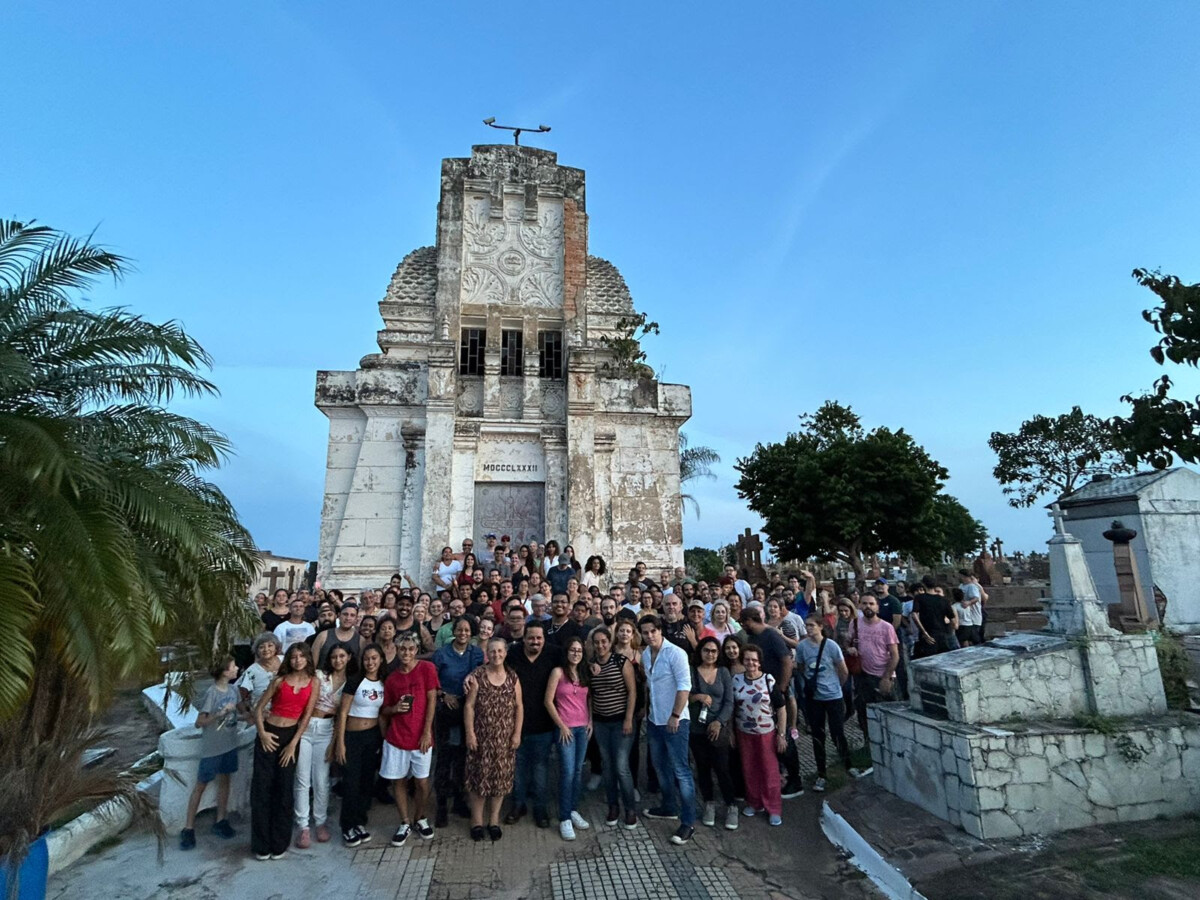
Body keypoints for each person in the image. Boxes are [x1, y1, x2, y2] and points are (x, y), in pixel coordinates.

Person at [252, 643, 319, 860]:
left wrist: (293, 744)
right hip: (269, 734)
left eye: (302, 656)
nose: (298, 660)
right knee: (262, 789)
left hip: (290, 737)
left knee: (284, 789)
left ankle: (279, 842)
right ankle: (261, 844)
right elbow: (259, 708)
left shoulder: (314, 682)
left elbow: (307, 715)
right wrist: (262, 733)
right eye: (294, 656)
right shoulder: (279, 681)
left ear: (308, 658)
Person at [638, 615, 697, 846]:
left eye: (653, 631)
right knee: (661, 767)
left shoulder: (676, 653)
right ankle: (669, 806)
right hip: (655, 721)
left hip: (675, 721)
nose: (649, 635)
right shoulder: (645, 655)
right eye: (645, 632)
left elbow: (685, 686)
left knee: (681, 770)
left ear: (660, 630)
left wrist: (674, 715)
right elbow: (650, 687)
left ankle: (688, 821)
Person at [379, 635, 439, 845]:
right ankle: (404, 821)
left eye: (410, 649)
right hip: (397, 737)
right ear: (397, 650)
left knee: (422, 782)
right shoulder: (392, 679)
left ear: (416, 650)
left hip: (421, 737)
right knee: (399, 780)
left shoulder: (427, 669)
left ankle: (419, 816)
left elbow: (432, 700)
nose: (406, 653)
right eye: (402, 649)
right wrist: (395, 709)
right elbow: (385, 708)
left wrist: (426, 731)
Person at [502, 620, 562, 828]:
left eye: (539, 638)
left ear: (544, 639)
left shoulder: (554, 654)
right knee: (517, 768)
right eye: (531, 638)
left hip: (543, 725)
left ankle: (540, 808)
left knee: (540, 769)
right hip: (516, 724)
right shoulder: (513, 654)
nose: (535, 642)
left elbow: (576, 661)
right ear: (524, 638)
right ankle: (518, 805)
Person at [740, 608, 804, 799]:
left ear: (752, 620)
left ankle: (795, 779)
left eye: (744, 622)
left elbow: (786, 661)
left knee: (783, 738)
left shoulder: (771, 636)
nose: (743, 626)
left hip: (774, 691)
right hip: (761, 694)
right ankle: (779, 775)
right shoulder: (753, 638)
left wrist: (782, 688)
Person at [465, 635, 523, 841]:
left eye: (500, 651)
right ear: (487, 654)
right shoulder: (477, 676)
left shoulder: (512, 677)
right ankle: (477, 821)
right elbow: (469, 706)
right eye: (492, 651)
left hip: (504, 739)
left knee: (500, 781)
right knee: (479, 780)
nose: (496, 654)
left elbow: (519, 706)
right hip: (481, 738)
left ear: (505, 653)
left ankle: (494, 820)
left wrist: (517, 733)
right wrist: (470, 733)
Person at [180, 656, 240, 850]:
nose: (237, 668)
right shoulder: (211, 693)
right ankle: (188, 828)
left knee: (225, 781)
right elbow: (200, 722)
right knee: (201, 785)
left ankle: (221, 820)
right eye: (233, 666)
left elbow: (242, 712)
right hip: (212, 749)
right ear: (225, 671)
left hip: (229, 745)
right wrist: (219, 714)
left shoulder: (234, 690)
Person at [294, 644, 349, 847]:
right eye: (334, 656)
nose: (338, 660)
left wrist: (334, 743)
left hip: (327, 729)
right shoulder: (318, 675)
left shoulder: (349, 683)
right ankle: (303, 826)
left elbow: (341, 716)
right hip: (306, 727)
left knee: (321, 779)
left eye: (342, 656)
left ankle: (320, 821)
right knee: (302, 778)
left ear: (348, 657)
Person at [431, 617, 483, 826]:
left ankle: (460, 800)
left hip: (468, 709)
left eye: (467, 630)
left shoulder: (476, 653)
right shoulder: (442, 654)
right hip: (446, 708)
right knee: (445, 757)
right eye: (459, 629)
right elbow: (432, 683)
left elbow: (480, 676)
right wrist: (444, 694)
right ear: (453, 631)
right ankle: (442, 804)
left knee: (464, 757)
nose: (463, 633)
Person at [796, 617, 858, 791]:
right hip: (814, 698)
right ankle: (821, 773)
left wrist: (836, 686)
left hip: (833, 696)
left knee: (837, 732)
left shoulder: (831, 646)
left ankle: (848, 764)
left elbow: (843, 670)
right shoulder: (802, 647)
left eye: (811, 625)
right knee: (818, 736)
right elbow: (801, 667)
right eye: (807, 625)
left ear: (820, 627)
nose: (808, 628)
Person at [586, 626, 638, 829]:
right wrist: (590, 720)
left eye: (603, 641)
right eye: (596, 642)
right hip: (601, 722)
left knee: (621, 765)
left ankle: (630, 808)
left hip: (620, 722)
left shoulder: (621, 662)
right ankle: (613, 805)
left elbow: (632, 692)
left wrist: (628, 718)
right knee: (607, 766)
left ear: (610, 642)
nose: (600, 645)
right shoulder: (590, 665)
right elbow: (590, 695)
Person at [335, 643, 385, 847]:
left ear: (380, 660)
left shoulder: (383, 682)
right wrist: (340, 743)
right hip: (352, 737)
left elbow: (382, 714)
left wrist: (383, 740)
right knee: (351, 782)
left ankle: (360, 821)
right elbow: (343, 713)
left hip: (372, 736)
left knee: (366, 781)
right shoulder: (355, 681)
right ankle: (347, 825)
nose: (370, 662)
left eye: (374, 658)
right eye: (367, 659)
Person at [731, 645, 786, 827]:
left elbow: (781, 707)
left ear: (760, 661)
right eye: (747, 659)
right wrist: (731, 731)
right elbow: (732, 708)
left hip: (766, 733)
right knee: (749, 769)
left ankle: (774, 808)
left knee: (769, 771)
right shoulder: (736, 680)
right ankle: (754, 802)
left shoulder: (768, 680)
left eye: (754, 660)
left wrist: (782, 734)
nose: (751, 663)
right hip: (743, 732)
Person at [545, 636, 592, 841]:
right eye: (573, 650)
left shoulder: (583, 672)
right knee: (567, 771)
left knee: (579, 770)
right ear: (567, 652)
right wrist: (561, 726)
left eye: (579, 650)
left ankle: (573, 809)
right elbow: (548, 701)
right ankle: (564, 817)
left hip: (582, 727)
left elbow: (588, 698)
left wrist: (590, 721)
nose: (576, 653)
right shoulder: (558, 672)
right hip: (565, 729)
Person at [688, 637, 738, 831]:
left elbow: (729, 701)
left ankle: (730, 804)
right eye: (707, 650)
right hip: (697, 728)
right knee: (702, 767)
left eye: (714, 651)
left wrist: (719, 722)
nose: (710, 654)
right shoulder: (693, 672)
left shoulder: (724, 672)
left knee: (722, 767)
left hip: (718, 727)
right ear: (700, 651)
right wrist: (698, 697)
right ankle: (709, 802)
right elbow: (685, 695)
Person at [853, 594, 899, 752]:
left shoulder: (886, 627)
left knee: (888, 713)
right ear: (859, 605)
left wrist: (886, 677)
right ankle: (870, 743)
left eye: (871, 604)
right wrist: (849, 648)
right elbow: (848, 642)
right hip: (863, 676)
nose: (868, 606)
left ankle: (892, 744)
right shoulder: (855, 624)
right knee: (864, 712)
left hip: (882, 675)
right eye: (864, 603)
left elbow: (895, 655)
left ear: (877, 607)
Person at [912, 575, 958, 657]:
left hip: (928, 634)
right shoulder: (944, 600)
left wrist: (924, 632)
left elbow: (914, 614)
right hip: (942, 634)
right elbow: (953, 620)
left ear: (924, 585)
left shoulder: (919, 598)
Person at [238, 633, 282, 713]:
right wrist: (247, 714)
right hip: (262, 714)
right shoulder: (251, 671)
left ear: (276, 648)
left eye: (270, 645)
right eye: (261, 647)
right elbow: (238, 694)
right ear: (257, 651)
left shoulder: (285, 661)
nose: (266, 649)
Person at [311, 603, 361, 670]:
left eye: (352, 615)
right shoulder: (323, 636)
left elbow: (360, 667)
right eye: (345, 614)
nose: (348, 618)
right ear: (339, 615)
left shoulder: (360, 640)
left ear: (356, 618)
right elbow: (311, 665)